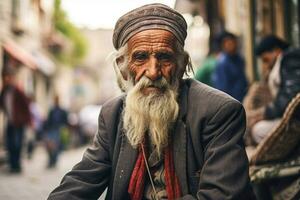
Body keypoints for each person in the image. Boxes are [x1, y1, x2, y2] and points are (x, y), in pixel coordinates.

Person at [48, 4, 254, 199]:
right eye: (140, 57)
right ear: (123, 67)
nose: (153, 72)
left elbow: (222, 195)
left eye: (164, 57)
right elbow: (82, 180)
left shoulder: (219, 112)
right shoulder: (112, 114)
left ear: (182, 65)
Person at [247, 35, 300, 144]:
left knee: (258, 130)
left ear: (276, 51)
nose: (265, 64)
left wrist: (265, 114)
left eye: (266, 59)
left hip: (295, 119)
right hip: (289, 115)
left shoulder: (290, 59)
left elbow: (291, 94)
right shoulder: (283, 62)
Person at [0, 58, 32, 173]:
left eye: (9, 77)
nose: (7, 79)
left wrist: (29, 122)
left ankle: (17, 166)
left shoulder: (18, 91)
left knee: (17, 144)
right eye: (5, 77)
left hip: (19, 122)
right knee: (10, 144)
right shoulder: (4, 91)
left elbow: (26, 106)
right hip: (10, 122)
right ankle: (13, 165)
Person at [212, 31, 248, 102]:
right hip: (231, 101)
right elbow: (222, 87)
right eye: (228, 43)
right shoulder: (222, 63)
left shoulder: (239, 59)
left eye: (232, 43)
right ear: (223, 45)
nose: (231, 45)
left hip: (242, 97)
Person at [44, 95, 68, 168]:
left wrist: (64, 129)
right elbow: (48, 121)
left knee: (56, 146)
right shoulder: (52, 110)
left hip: (59, 130)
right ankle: (51, 160)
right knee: (50, 146)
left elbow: (65, 121)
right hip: (51, 130)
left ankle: (54, 160)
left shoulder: (62, 110)